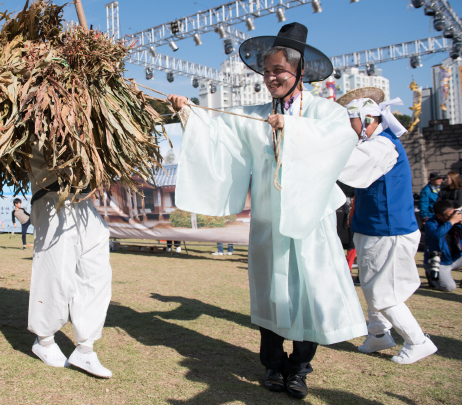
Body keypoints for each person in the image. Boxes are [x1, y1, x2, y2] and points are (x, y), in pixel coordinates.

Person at [168, 23, 366, 399]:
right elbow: (220, 130)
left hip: (310, 220)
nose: (271, 78)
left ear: (300, 73)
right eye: (267, 71)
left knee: (310, 291)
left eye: (280, 71)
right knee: (271, 293)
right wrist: (190, 114)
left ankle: (300, 369)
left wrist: (293, 128)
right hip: (268, 220)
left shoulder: (326, 112)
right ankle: (273, 366)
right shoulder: (256, 113)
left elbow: (340, 141)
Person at [337, 90, 437, 365]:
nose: (349, 129)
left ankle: (418, 341)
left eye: (351, 122)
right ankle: (378, 333)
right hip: (375, 228)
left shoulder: (382, 146)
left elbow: (347, 165)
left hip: (389, 231)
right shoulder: (376, 143)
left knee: (383, 292)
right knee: (372, 286)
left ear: (367, 118)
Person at [28, 146, 113, 379]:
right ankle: (43, 341)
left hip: (82, 198)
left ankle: (85, 348)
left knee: (96, 272)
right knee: (55, 270)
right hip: (51, 196)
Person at [423, 199, 462, 292]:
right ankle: (432, 277)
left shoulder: (456, 222)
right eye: (449, 215)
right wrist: (451, 222)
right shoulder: (430, 223)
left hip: (455, 259)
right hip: (440, 262)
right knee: (450, 287)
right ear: (439, 215)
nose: (452, 217)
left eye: (452, 213)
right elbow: (437, 235)